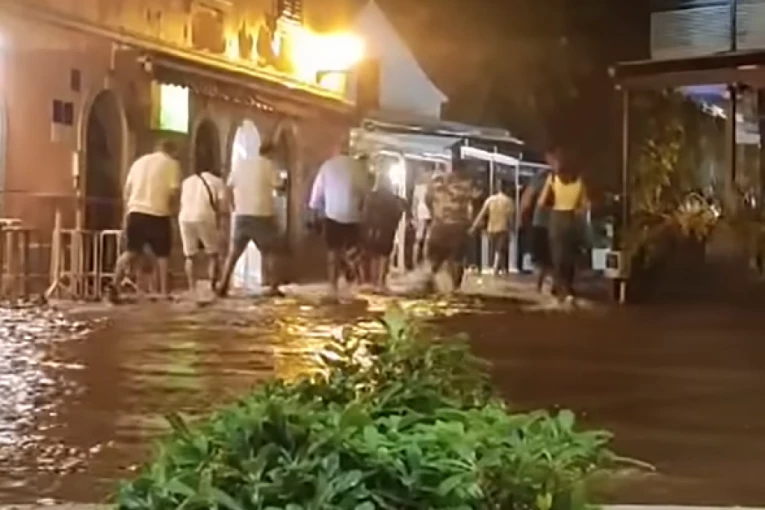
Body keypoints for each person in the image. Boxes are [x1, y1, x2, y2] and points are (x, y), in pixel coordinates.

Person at [109, 140, 181, 302]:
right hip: (159, 213)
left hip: (136, 212)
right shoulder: (172, 164)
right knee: (163, 255)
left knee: (131, 251)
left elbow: (127, 191)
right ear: (171, 151)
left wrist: (126, 214)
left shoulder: (138, 163)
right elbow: (173, 192)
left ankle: (114, 284)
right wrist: (172, 212)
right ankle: (163, 292)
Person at [216, 141, 284, 298]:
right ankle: (273, 286)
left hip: (242, 215)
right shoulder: (269, 165)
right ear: (272, 153)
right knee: (269, 252)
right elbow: (279, 186)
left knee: (233, 253)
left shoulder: (241, 164)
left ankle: (223, 285)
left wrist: (233, 206)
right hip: (263, 214)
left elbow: (228, 187)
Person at [308, 140, 368, 301]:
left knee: (333, 252)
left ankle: (333, 286)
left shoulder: (327, 166)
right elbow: (365, 193)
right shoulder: (358, 167)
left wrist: (314, 212)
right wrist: (361, 211)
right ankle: (352, 282)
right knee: (352, 251)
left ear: (335, 150)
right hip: (353, 216)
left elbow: (317, 193)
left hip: (333, 215)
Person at [536, 146, 589, 304]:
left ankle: (560, 289)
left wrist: (549, 207)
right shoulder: (579, 181)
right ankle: (568, 288)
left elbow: (541, 202)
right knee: (570, 256)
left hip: (557, 218)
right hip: (572, 219)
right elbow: (585, 205)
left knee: (558, 256)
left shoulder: (552, 179)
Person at [425, 162, 474, 292]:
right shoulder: (465, 187)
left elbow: (428, 200)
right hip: (458, 226)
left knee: (435, 259)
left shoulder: (437, 184)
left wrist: (434, 214)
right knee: (457, 259)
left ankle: (430, 282)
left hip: (439, 225)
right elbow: (469, 207)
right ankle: (455, 288)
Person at [178, 164, 226, 294]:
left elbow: (182, 201)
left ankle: (191, 287)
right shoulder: (218, 182)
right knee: (213, 254)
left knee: (190, 256)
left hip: (185, 217)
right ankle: (212, 286)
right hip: (205, 216)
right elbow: (222, 206)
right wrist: (221, 223)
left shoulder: (187, 181)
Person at [362, 171, 406, 293]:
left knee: (374, 257)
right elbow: (399, 212)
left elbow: (365, 214)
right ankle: (381, 282)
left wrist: (366, 227)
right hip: (387, 230)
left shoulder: (371, 197)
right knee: (384, 257)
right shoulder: (393, 199)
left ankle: (374, 281)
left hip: (373, 231)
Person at [470, 182, 515, 275]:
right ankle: (496, 269)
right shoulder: (508, 201)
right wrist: (512, 229)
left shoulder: (490, 200)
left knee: (497, 249)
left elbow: (481, 214)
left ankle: (501, 269)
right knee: (499, 250)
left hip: (491, 228)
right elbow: (510, 218)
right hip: (503, 228)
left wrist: (473, 227)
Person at [521, 169, 553, 293]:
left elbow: (526, 204)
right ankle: (553, 286)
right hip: (558, 222)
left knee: (539, 259)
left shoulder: (537, 182)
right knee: (553, 257)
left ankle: (539, 286)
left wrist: (524, 222)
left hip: (539, 223)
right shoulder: (562, 182)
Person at [412, 172, 432, 266]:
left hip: (420, 211)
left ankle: (415, 261)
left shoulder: (418, 187)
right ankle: (425, 260)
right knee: (427, 238)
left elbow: (414, 203)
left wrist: (415, 216)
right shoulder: (430, 186)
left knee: (418, 238)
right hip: (429, 211)